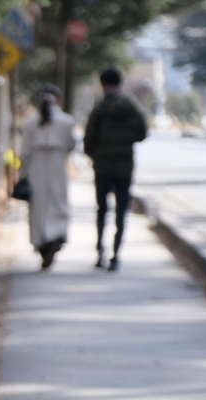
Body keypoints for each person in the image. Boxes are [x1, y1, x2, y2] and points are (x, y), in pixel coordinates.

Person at [83, 67, 148, 272]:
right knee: (121, 212)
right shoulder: (133, 107)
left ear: (103, 84)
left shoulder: (100, 108)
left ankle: (100, 253)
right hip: (124, 168)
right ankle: (116, 256)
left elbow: (88, 141)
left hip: (102, 167)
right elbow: (142, 134)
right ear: (121, 83)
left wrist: (96, 156)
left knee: (102, 210)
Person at [19, 83, 76, 270]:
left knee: (38, 207)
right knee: (58, 204)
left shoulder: (29, 122)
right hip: (58, 170)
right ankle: (56, 237)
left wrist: (21, 175)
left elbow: (25, 152)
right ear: (58, 100)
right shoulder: (67, 121)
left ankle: (41, 242)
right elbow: (71, 145)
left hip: (36, 170)